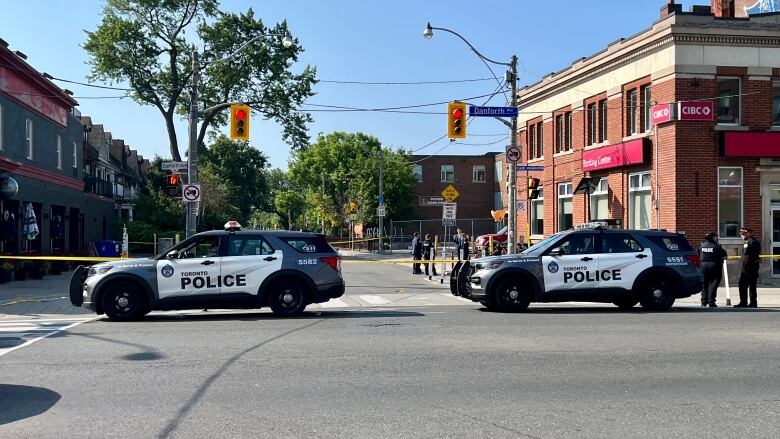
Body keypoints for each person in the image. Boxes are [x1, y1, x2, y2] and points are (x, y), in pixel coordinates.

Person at [698, 232, 727, 308]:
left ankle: (703, 302)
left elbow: (698, 255)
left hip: (703, 266)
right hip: (715, 266)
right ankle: (711, 302)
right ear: (713, 238)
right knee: (713, 284)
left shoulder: (701, 246)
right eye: (716, 237)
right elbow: (724, 256)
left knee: (704, 284)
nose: (717, 238)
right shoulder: (717, 246)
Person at [735, 227, 761, 308]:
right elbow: (759, 255)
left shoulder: (748, 243)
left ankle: (743, 302)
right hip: (755, 266)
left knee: (742, 285)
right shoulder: (756, 242)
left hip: (748, 267)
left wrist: (743, 267)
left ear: (749, 233)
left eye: (743, 234)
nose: (742, 236)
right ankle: (753, 302)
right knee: (752, 285)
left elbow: (746, 256)